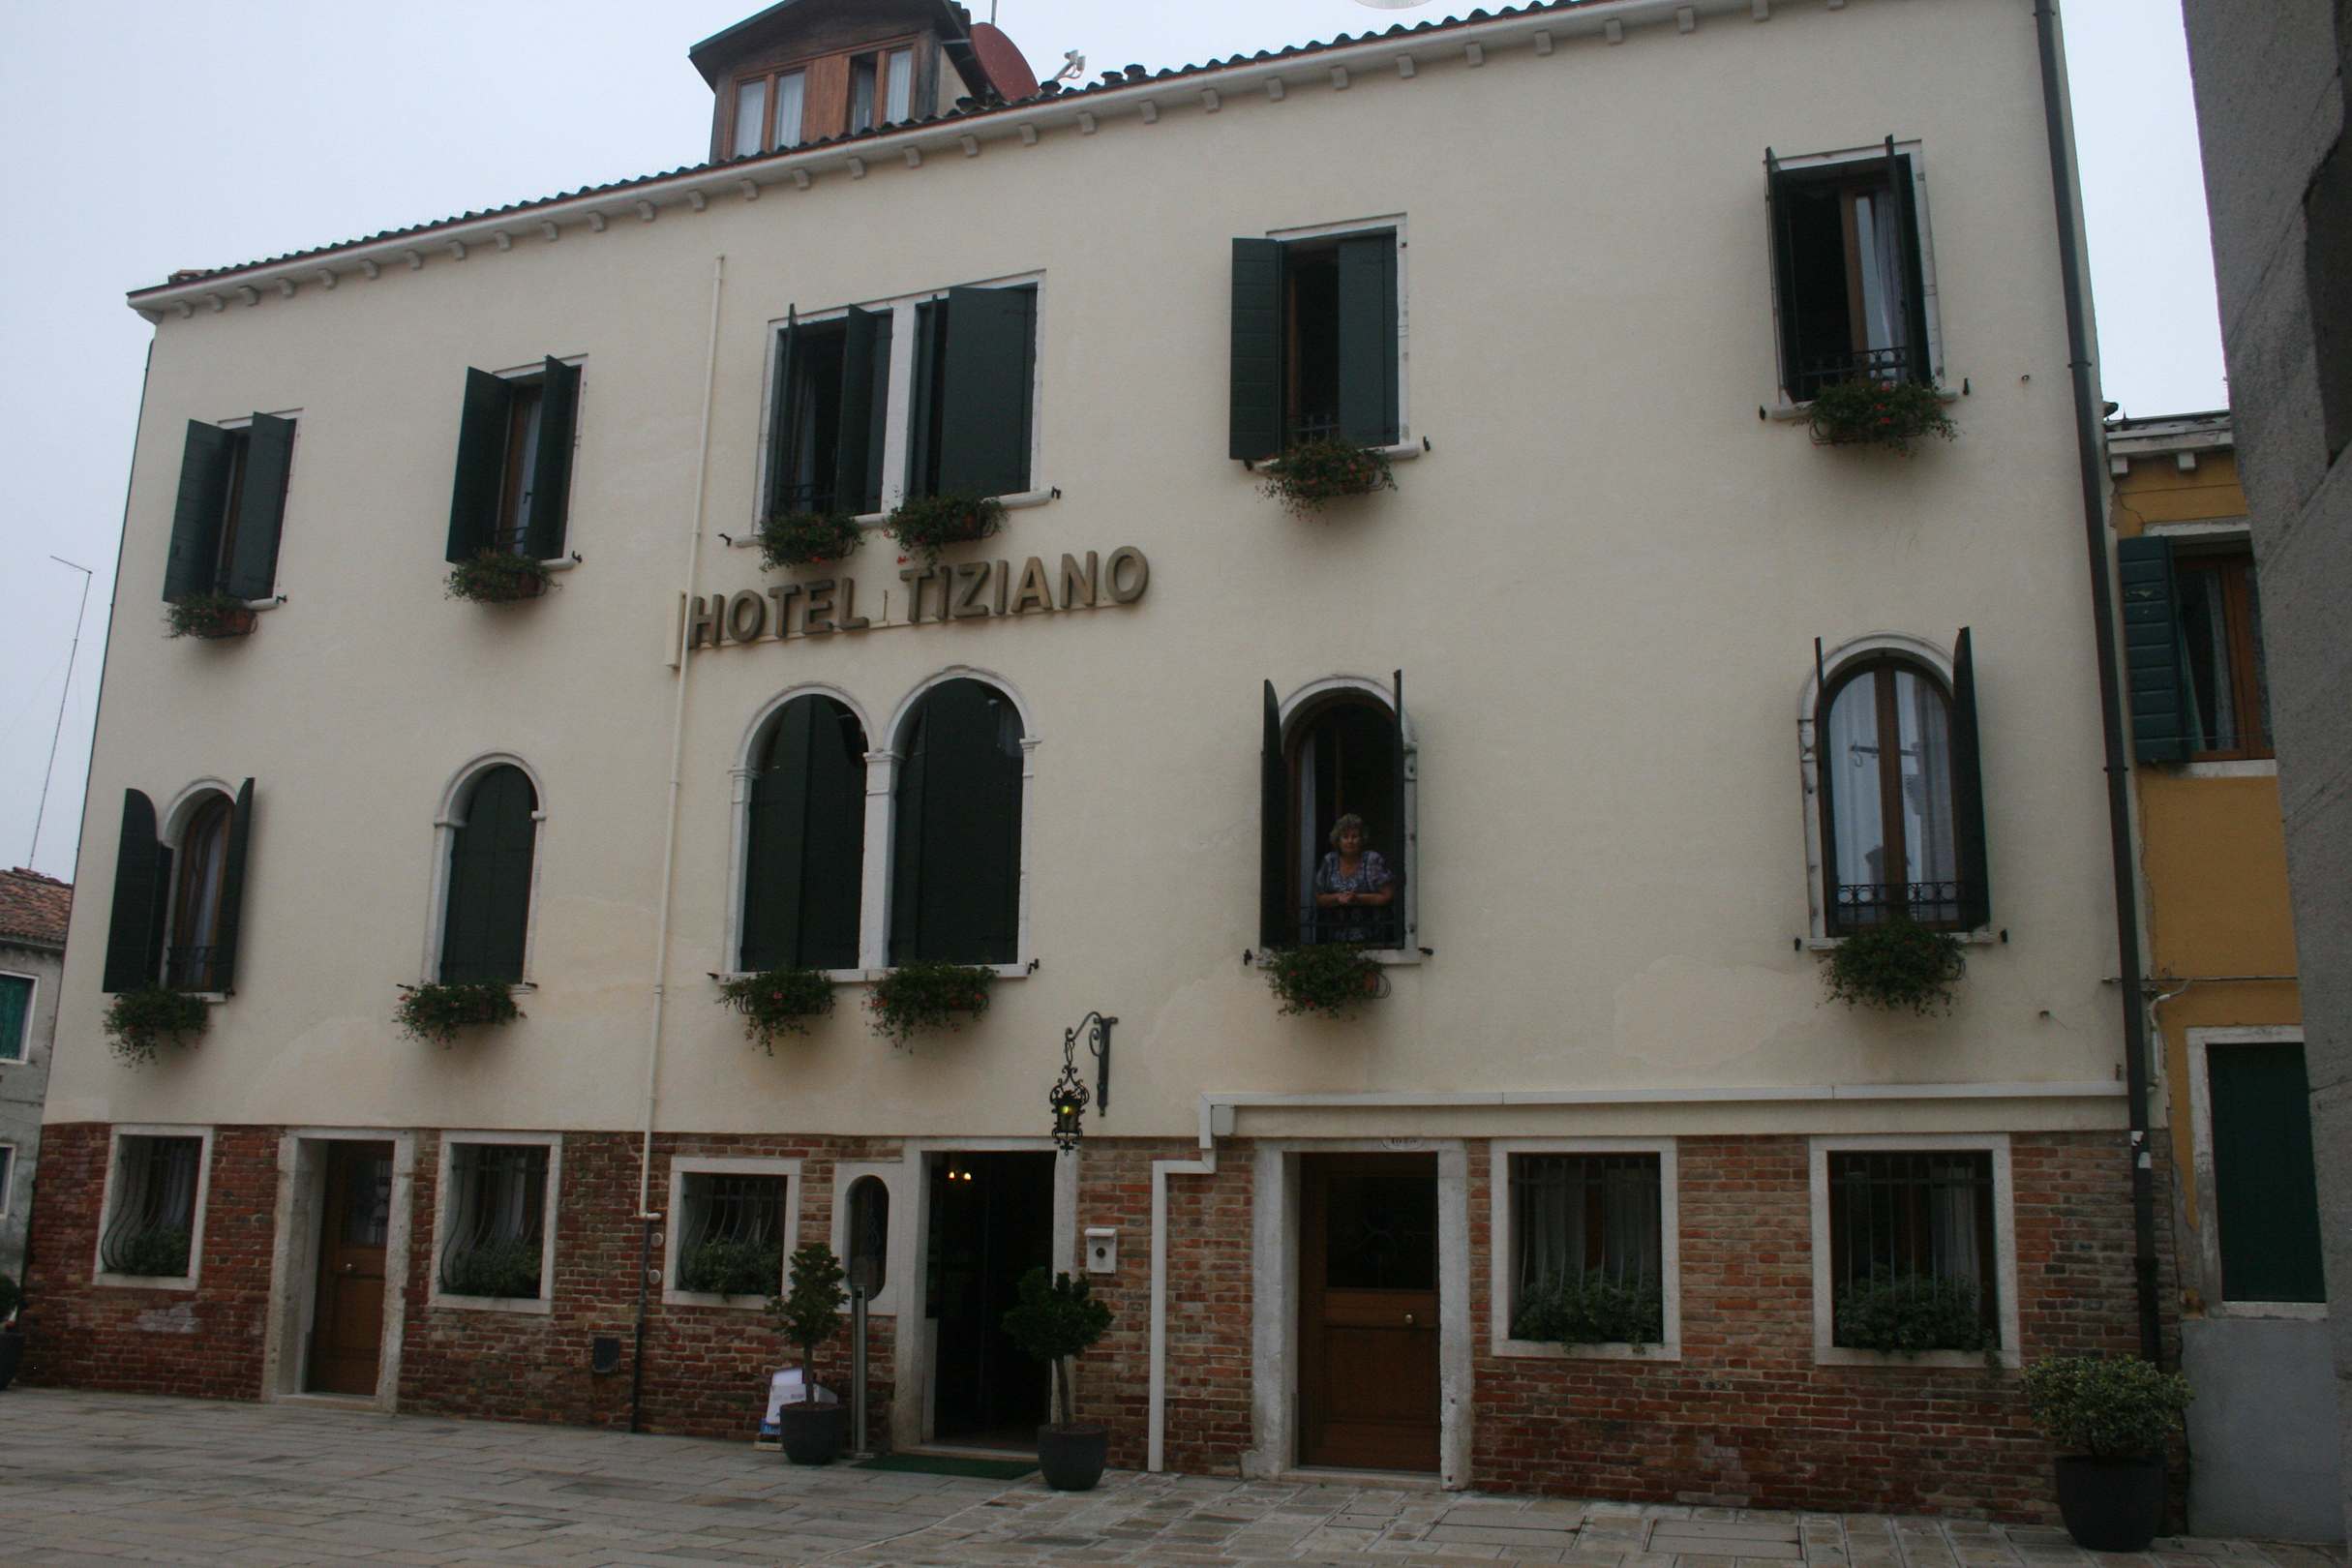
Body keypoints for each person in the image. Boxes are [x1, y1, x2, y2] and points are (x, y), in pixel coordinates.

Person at [1312, 813, 1396, 942]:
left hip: (1373, 938)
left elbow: (1388, 895)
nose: (1350, 841)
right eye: (1345, 837)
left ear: (1362, 839)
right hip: (1335, 939)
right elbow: (1319, 898)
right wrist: (1337, 898)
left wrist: (1357, 898)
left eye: (1354, 836)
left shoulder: (1372, 860)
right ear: (1338, 840)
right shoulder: (1329, 861)